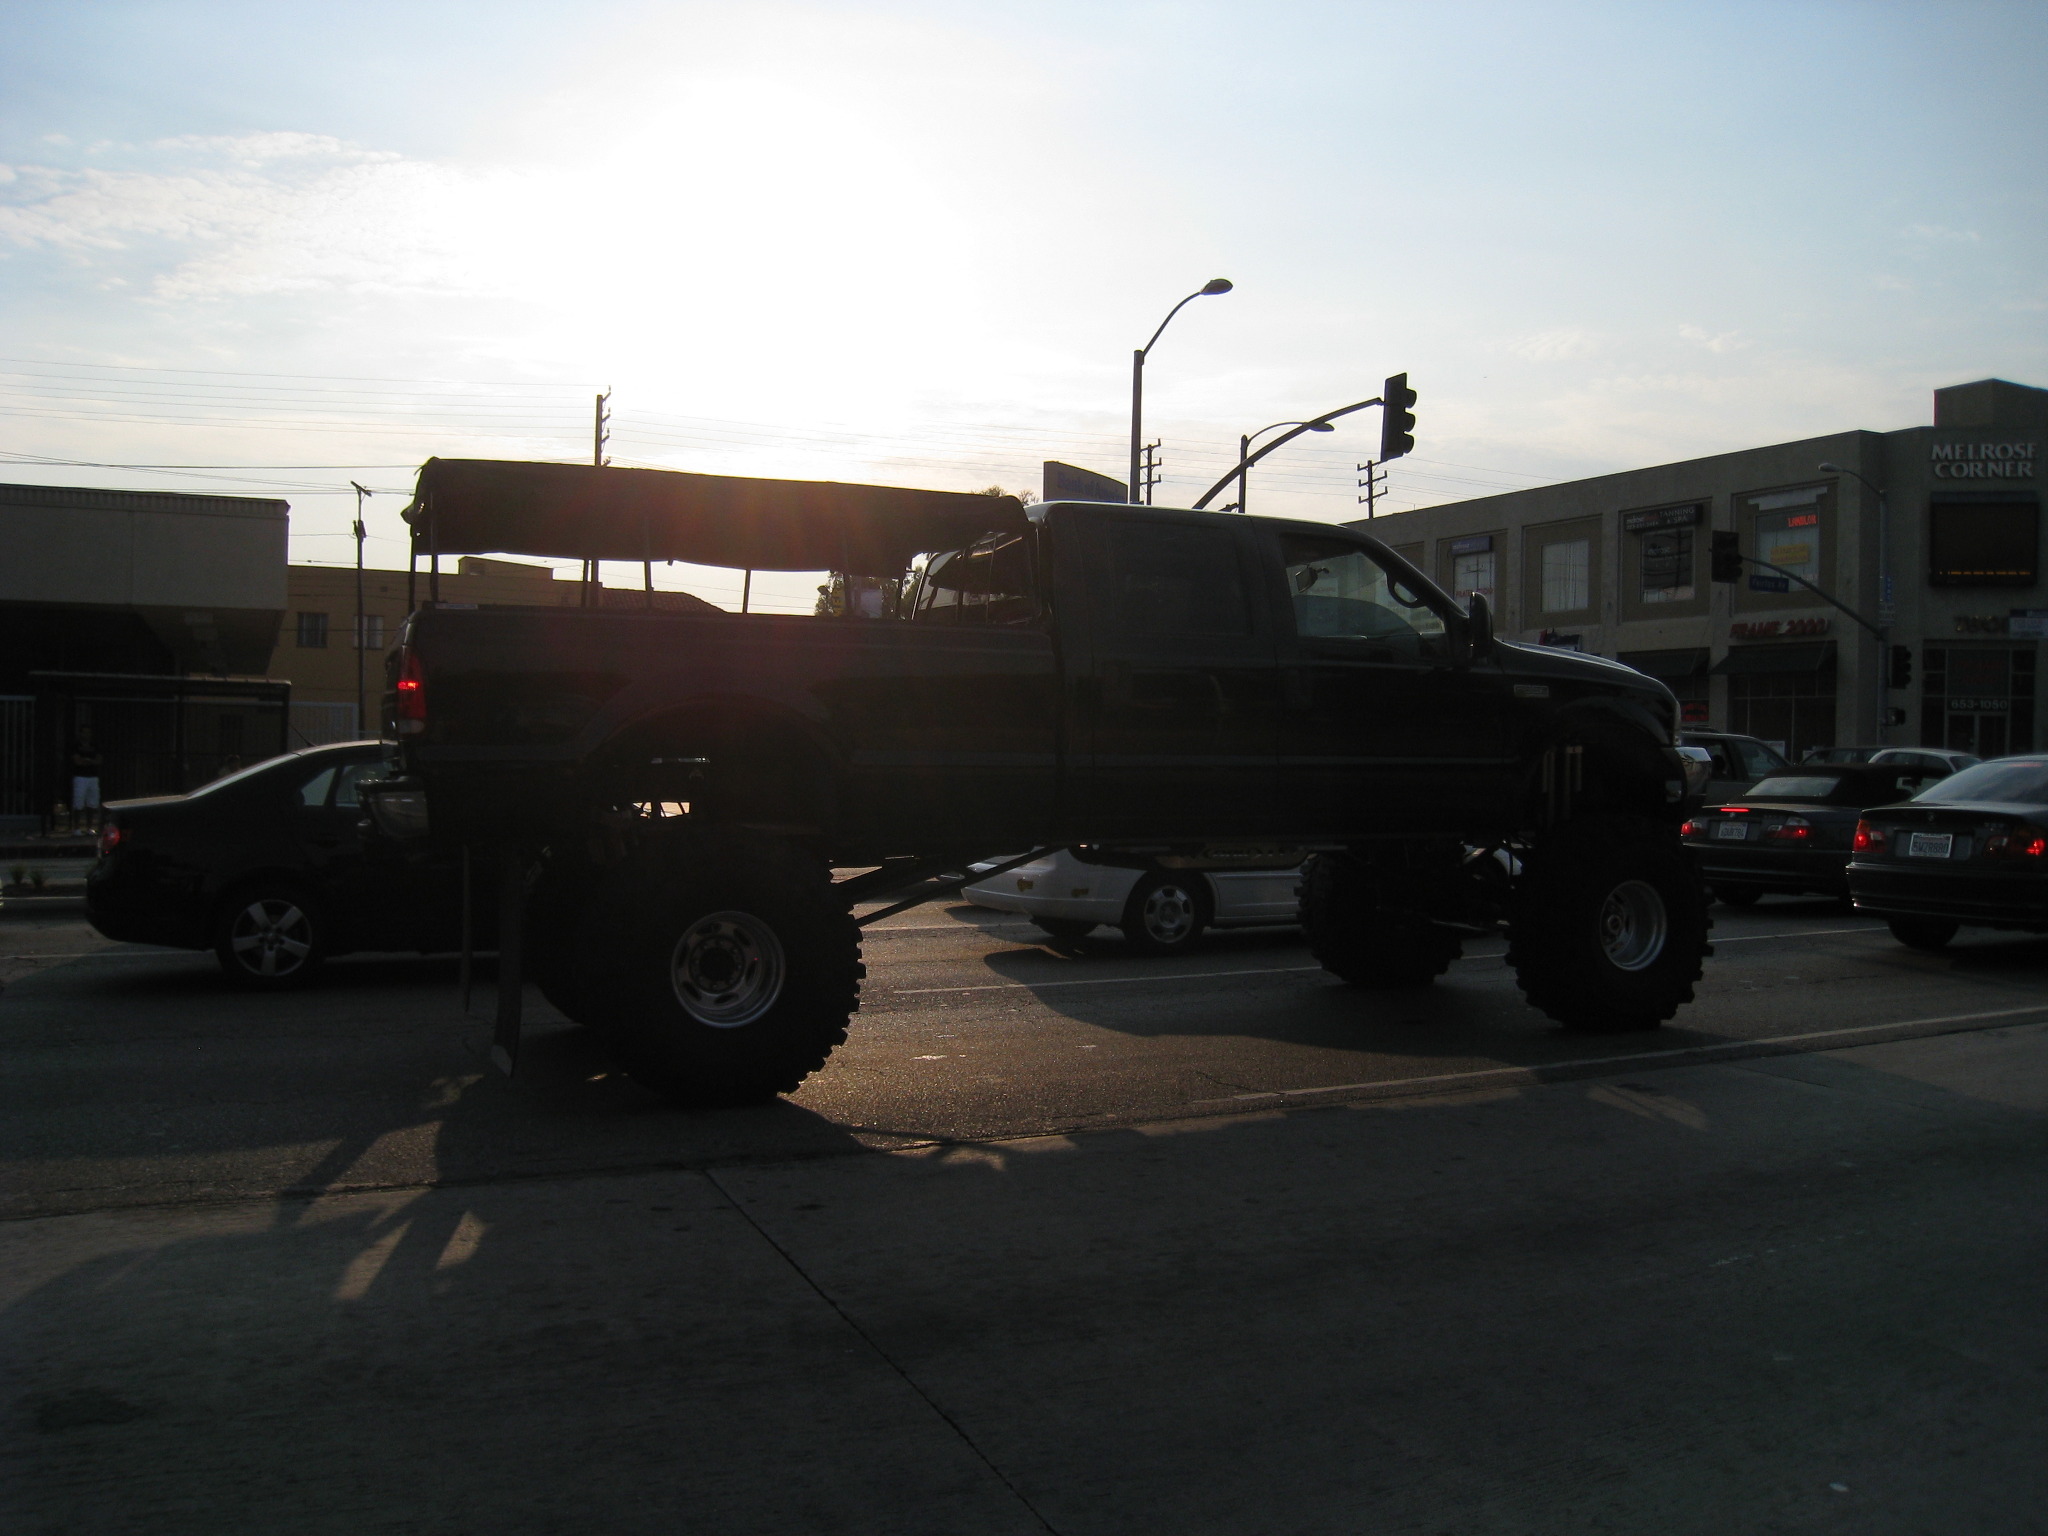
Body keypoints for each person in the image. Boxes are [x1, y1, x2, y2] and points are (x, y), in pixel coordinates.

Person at [69, 729, 104, 833]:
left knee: (92, 803)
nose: (86, 734)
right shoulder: (76, 746)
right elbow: (77, 761)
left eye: (88, 732)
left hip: (93, 777)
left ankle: (89, 827)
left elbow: (99, 760)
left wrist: (86, 761)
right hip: (80, 777)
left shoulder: (95, 746)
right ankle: (77, 828)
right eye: (84, 732)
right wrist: (91, 761)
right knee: (78, 802)